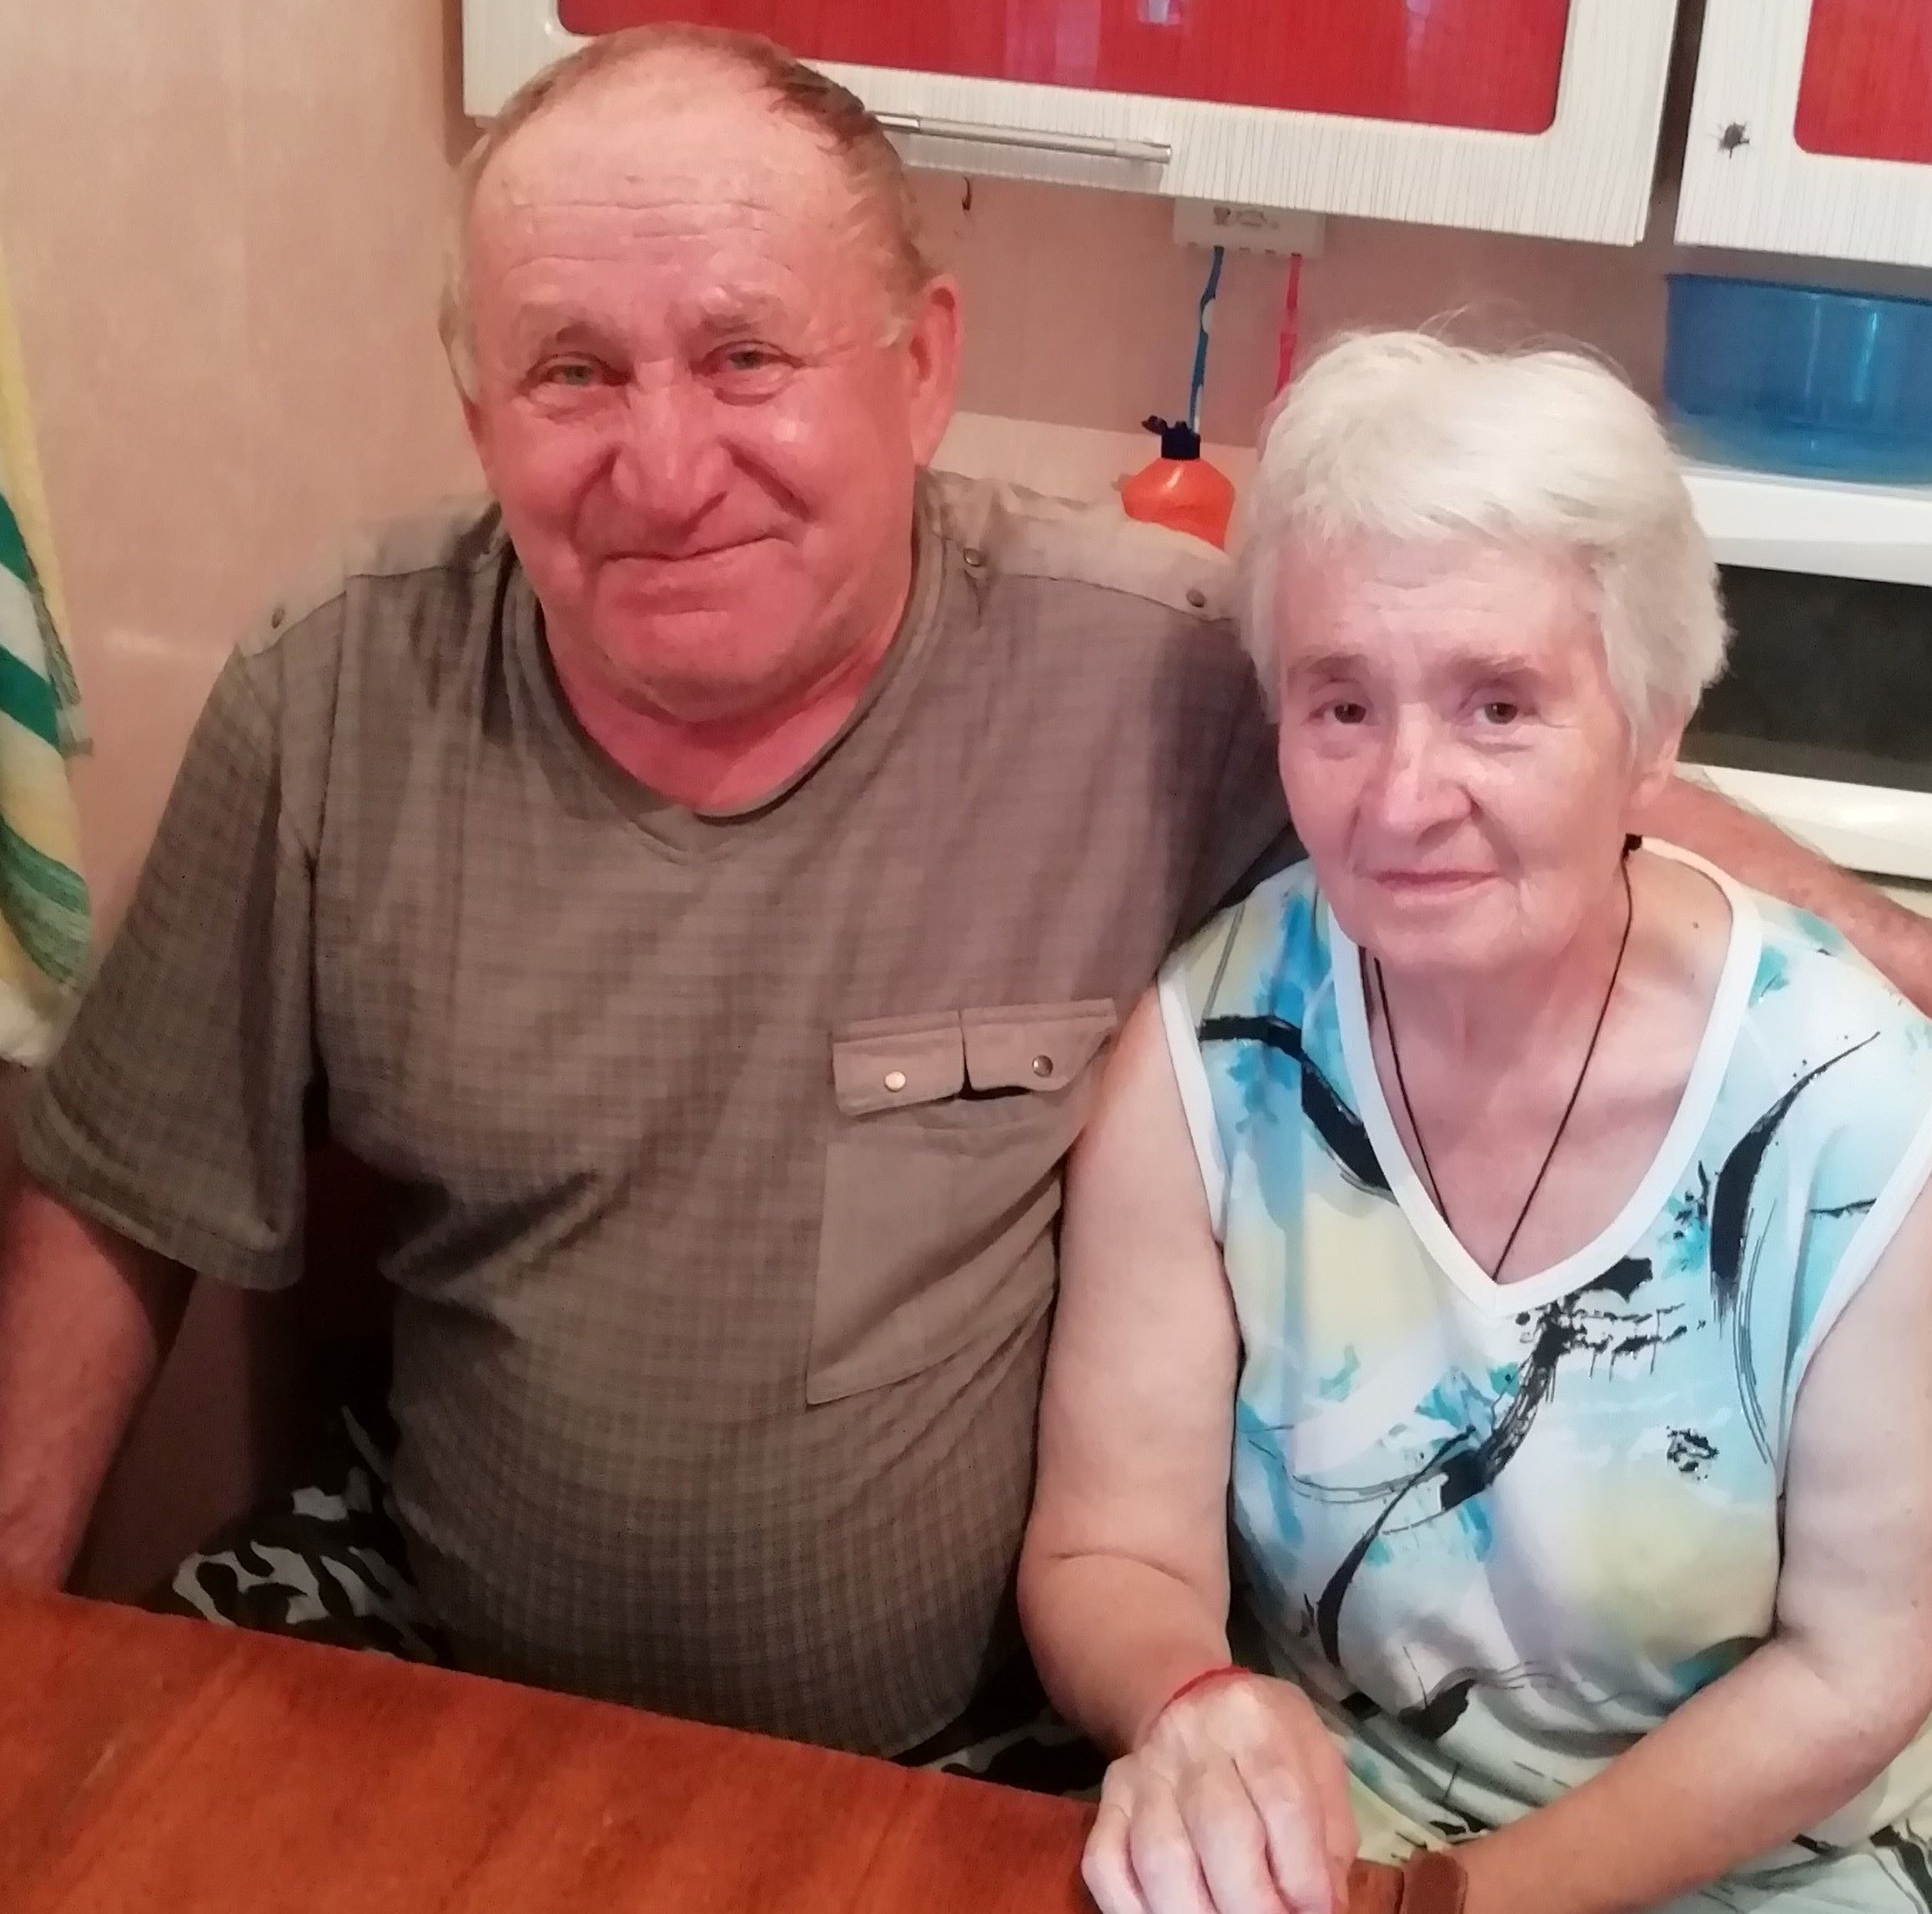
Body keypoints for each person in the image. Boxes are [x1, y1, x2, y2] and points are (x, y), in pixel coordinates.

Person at [0, 31, 1927, 1767]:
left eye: (746, 357)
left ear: (922, 366)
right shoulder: (335, 693)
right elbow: (116, 1204)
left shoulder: (1154, 680)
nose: (663, 467)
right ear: (478, 405)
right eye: (573, 370)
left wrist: (1901, 959)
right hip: (447, 1668)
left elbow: (1521, 787)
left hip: (985, 1756)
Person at [1019, 332, 1932, 1909]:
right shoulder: (1214, 1046)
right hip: (1328, 1841)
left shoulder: (1853, 1118)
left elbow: (1859, 1670)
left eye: (1499, 705)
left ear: (1654, 731)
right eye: (1342, 705)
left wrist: (1469, 1899)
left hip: (1770, 1867)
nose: (1401, 795)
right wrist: (1197, 1703)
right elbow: (1112, 1549)